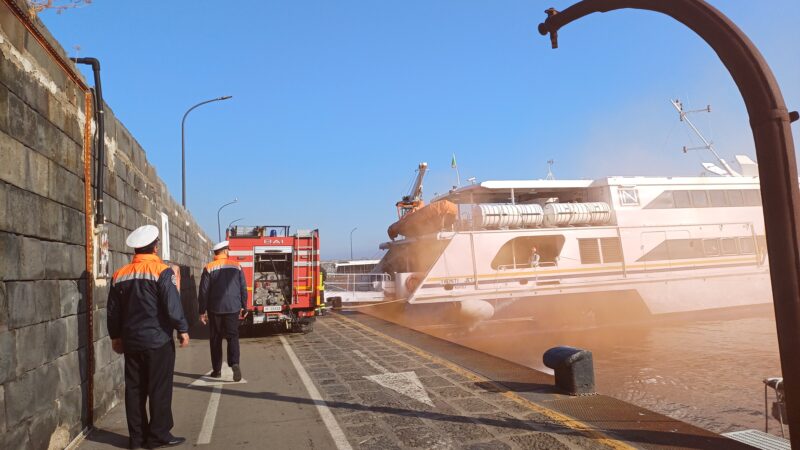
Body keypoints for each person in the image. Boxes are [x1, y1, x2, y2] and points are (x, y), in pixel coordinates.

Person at [107, 225, 189, 449]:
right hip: (158, 341)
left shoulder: (119, 275)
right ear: (155, 247)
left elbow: (113, 311)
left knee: (134, 390)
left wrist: (115, 337)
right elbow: (172, 306)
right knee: (159, 389)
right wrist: (182, 329)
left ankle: (137, 440)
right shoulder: (162, 272)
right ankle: (158, 436)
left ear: (135, 249)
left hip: (132, 342)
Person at [198, 240, 248, 381]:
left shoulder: (209, 267)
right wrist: (245, 306)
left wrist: (202, 311)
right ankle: (235, 363)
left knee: (216, 339)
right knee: (232, 337)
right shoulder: (237, 266)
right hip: (233, 307)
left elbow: (203, 291)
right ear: (225, 251)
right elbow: (243, 288)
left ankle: (217, 370)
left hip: (215, 309)